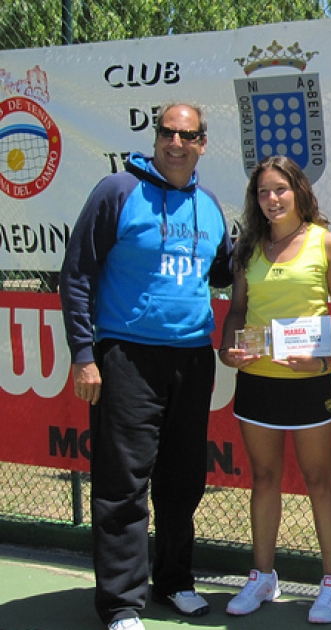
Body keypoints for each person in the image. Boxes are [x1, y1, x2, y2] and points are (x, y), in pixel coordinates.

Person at [59, 103, 233, 630]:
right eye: (168, 133)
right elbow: (77, 275)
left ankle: (174, 581)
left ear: (203, 144)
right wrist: (84, 355)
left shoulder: (210, 206)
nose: (176, 144)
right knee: (123, 483)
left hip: (193, 359)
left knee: (182, 481)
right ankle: (120, 605)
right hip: (127, 357)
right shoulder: (116, 191)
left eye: (188, 136)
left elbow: (226, 272)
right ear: (156, 138)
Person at [218, 156, 331, 623]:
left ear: (298, 191)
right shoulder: (248, 247)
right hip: (257, 383)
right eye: (262, 192)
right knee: (264, 479)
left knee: (319, 480)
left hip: (311, 384)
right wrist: (228, 348)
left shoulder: (328, 244)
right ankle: (263, 576)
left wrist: (325, 357)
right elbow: (238, 310)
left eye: (280, 190)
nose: (271, 200)